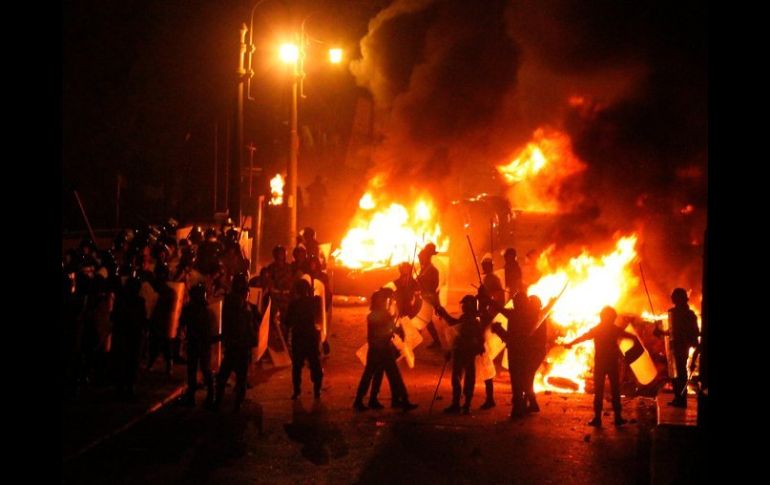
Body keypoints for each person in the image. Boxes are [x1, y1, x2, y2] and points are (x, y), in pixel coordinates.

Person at [564, 306, 636, 426]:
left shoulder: (598, 329)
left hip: (601, 363)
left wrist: (570, 343)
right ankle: (617, 418)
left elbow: (583, 337)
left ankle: (597, 419)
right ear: (612, 317)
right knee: (615, 390)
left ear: (601, 317)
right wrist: (634, 339)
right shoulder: (614, 329)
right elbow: (628, 335)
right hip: (612, 362)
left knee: (599, 391)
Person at [353, 289, 418, 411]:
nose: (387, 302)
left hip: (379, 348)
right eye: (386, 299)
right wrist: (391, 323)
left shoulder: (379, 314)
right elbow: (384, 330)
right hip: (380, 349)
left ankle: (371, 400)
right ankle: (402, 400)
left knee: (376, 375)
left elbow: (389, 328)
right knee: (391, 375)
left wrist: (393, 321)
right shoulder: (377, 316)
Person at [214, 274, 259, 411]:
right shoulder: (237, 305)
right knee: (233, 377)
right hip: (237, 346)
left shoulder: (246, 308)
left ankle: (228, 403)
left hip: (238, 346)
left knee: (235, 378)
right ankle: (227, 402)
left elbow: (253, 324)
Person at [436, 295, 485, 415]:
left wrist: (443, 313)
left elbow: (454, 325)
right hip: (464, 352)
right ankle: (462, 404)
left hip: (465, 352)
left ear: (469, 306)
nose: (462, 306)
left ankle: (460, 404)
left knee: (462, 378)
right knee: (465, 378)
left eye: (464, 304)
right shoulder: (471, 319)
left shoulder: (472, 321)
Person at [490, 292, 533, 418]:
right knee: (524, 379)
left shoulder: (516, 314)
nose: (513, 303)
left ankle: (518, 407)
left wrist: (487, 298)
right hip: (525, 351)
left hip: (516, 351)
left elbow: (500, 309)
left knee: (516, 380)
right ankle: (524, 404)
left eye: (516, 301)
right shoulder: (529, 314)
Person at [654, 288, 700, 408]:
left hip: (679, 347)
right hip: (678, 347)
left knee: (679, 374)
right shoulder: (688, 314)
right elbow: (672, 331)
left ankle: (680, 399)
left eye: (674, 297)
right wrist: (661, 332)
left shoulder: (681, 314)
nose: (672, 300)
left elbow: (693, 332)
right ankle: (679, 398)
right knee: (676, 374)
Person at [285, 279, 324, 400]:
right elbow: (319, 318)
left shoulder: (294, 304)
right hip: (311, 337)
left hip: (299, 337)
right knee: (315, 365)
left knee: (297, 367)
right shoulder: (314, 302)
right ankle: (317, 391)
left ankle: (297, 391)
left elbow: (288, 322)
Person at [179, 283, 214, 407]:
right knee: (203, 369)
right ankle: (208, 396)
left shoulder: (193, 309)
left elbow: (182, 322)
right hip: (201, 343)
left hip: (197, 342)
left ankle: (195, 397)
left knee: (195, 370)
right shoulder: (205, 310)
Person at [479, 253, 505, 409]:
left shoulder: (493, 279)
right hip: (484, 313)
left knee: (490, 341)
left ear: (490, 266)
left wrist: (490, 305)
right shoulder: (486, 279)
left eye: (486, 265)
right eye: (483, 265)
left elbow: (498, 295)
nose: (484, 267)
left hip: (490, 313)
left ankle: (493, 360)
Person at [416, 243, 443, 349]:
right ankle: (435, 342)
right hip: (423, 298)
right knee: (425, 321)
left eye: (422, 257)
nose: (420, 259)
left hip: (427, 299)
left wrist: (436, 302)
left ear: (428, 256)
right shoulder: (424, 269)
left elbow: (434, 287)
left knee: (424, 320)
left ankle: (414, 340)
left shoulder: (432, 270)